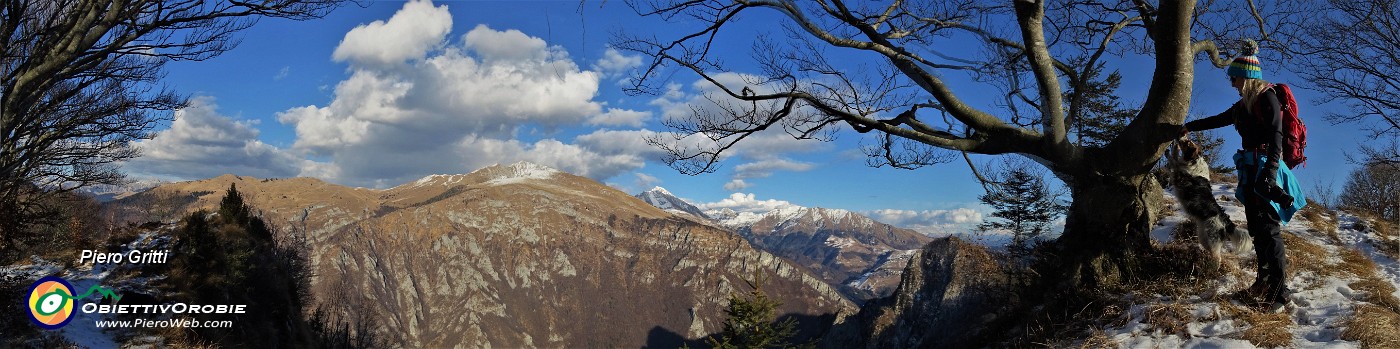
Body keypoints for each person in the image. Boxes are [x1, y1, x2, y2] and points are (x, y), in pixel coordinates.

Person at [1182, 46, 1298, 313]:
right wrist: (1188, 127)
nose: (1231, 83)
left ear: (1245, 76)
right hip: (1250, 168)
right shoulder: (1244, 104)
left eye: (1233, 78)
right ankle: (1264, 281)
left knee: (1269, 231)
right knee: (1257, 229)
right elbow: (1220, 119)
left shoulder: (1266, 97)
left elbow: (1276, 135)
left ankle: (1280, 293)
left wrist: (1269, 174)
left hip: (1266, 169)